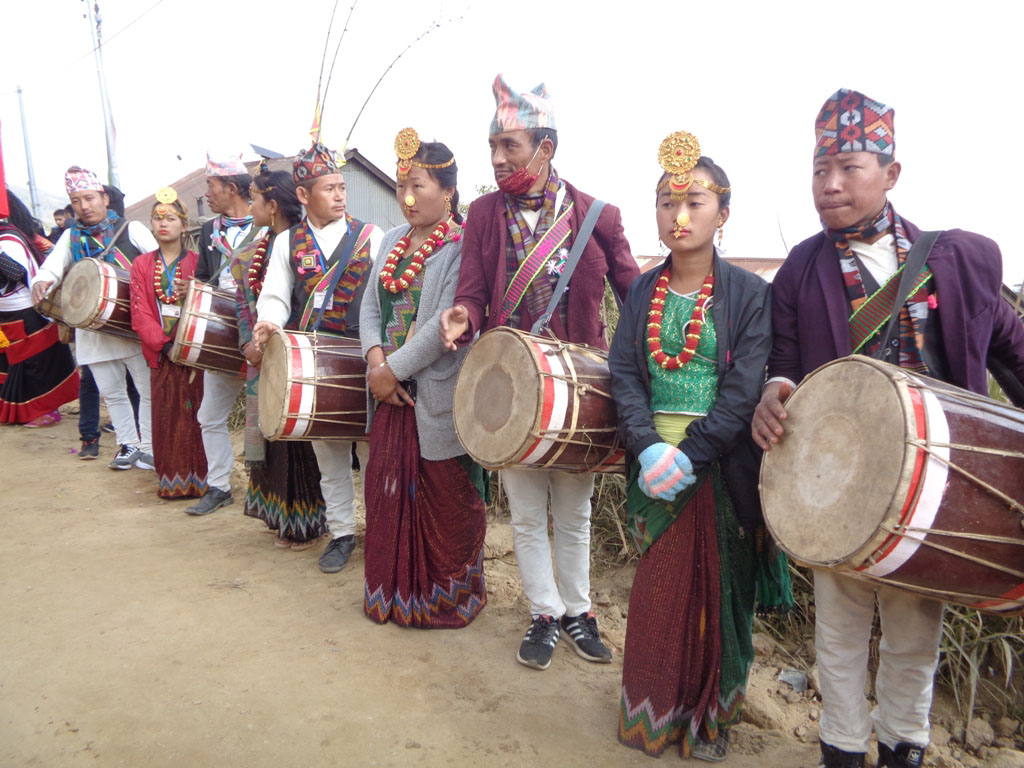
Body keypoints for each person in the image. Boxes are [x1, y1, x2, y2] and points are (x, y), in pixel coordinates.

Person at [751, 89, 1024, 768]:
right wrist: (773, 394)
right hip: (839, 483)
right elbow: (782, 364)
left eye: (849, 167)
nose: (831, 184)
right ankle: (842, 749)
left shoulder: (960, 260)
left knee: (912, 633)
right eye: (820, 171)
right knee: (839, 632)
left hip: (934, 490)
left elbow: (1012, 352)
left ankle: (904, 745)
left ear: (891, 174)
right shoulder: (800, 272)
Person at [439, 74, 639, 668]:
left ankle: (580, 612)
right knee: (526, 512)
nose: (499, 160)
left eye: (511, 147)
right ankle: (543, 613)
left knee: (573, 513)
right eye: (493, 148)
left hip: (580, 391)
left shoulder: (597, 216)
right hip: (512, 388)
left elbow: (637, 296)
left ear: (546, 149)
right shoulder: (482, 214)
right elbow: (473, 293)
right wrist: (461, 316)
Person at [609, 132, 792, 761]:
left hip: (719, 470)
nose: (677, 215)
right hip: (652, 467)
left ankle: (709, 720)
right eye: (664, 202)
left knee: (720, 597)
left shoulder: (749, 295)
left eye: (692, 200)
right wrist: (649, 448)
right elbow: (627, 375)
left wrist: (692, 453)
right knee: (659, 592)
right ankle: (652, 713)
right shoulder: (639, 291)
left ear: (724, 211)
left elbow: (744, 390)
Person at [359, 129, 487, 627]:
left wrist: (392, 370)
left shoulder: (459, 246)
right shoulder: (390, 241)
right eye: (401, 186)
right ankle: (393, 594)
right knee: (385, 492)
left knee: (446, 500)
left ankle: (442, 599)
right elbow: (370, 305)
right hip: (388, 389)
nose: (407, 197)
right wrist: (376, 364)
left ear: (449, 191)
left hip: (432, 397)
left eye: (419, 186)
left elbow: (442, 326)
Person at [253, 141, 381, 573]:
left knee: (371, 454)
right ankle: (342, 533)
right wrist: (269, 322)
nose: (340, 195)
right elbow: (273, 297)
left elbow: (386, 298)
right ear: (304, 195)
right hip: (315, 363)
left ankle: (378, 532)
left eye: (342, 186)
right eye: (329, 188)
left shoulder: (371, 237)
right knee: (329, 457)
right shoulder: (288, 242)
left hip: (363, 359)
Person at [31, 166, 157, 470]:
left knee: (146, 389)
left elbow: (159, 262)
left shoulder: (130, 229)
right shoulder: (70, 236)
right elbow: (52, 266)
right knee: (112, 392)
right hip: (92, 328)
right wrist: (41, 280)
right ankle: (128, 445)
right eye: (76, 201)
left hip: (131, 326)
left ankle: (151, 447)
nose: (83, 206)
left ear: (103, 197)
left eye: (88, 198)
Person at [232, 168, 326, 549]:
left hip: (299, 361)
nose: (249, 204)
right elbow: (243, 305)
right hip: (260, 357)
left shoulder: (310, 246)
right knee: (267, 439)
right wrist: (247, 344)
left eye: (253, 197)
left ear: (272, 206)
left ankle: (305, 523)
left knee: (298, 439)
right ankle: (277, 517)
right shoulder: (247, 254)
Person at [184, 153, 260, 516]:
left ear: (231, 188)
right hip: (219, 334)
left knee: (266, 420)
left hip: (260, 336)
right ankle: (219, 485)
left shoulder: (266, 228)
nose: (207, 194)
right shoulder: (208, 231)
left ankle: (268, 491)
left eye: (211, 187)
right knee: (209, 416)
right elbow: (202, 276)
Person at [129, 188, 208, 498]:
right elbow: (140, 311)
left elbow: (205, 304)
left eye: (171, 218)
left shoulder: (199, 263)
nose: (163, 224)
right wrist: (163, 345)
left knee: (198, 415)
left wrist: (185, 345)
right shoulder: (142, 265)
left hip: (194, 353)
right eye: (157, 218)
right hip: (161, 354)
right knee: (166, 418)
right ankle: (172, 482)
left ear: (184, 225)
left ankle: (202, 481)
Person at [1, 189, 79, 426]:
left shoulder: (10, 237)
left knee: (35, 364)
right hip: (6, 313)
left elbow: (16, 273)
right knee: (9, 363)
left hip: (27, 311)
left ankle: (42, 409)